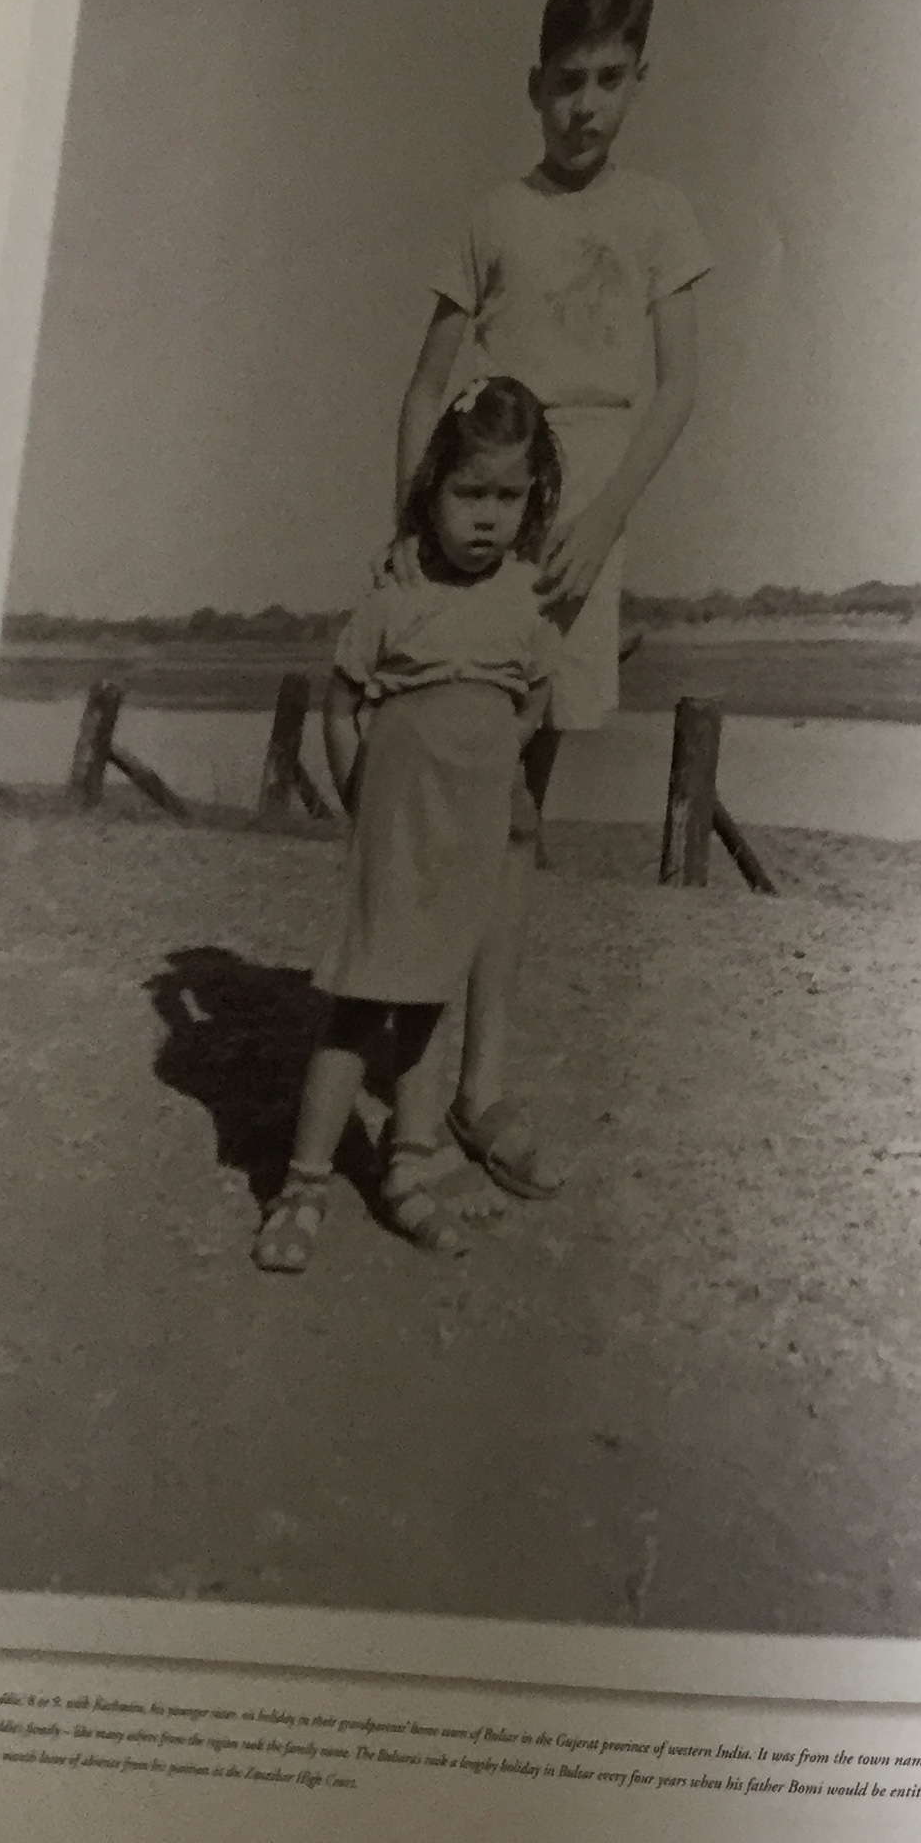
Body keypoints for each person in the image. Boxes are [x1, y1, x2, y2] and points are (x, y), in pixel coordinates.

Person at [388, 0, 713, 1212]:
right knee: (454, 800)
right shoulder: (493, 216)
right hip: (484, 520)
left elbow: (678, 389)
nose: (586, 106)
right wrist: (406, 547)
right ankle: (413, 1087)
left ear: (640, 80)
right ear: (534, 84)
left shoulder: (660, 216)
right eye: (567, 80)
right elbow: (426, 386)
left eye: (610, 79)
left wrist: (607, 520)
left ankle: (483, 1086)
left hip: (584, 540)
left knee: (522, 814)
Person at [253, 380, 569, 1273]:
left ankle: (409, 1167)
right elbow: (342, 703)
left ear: (532, 501)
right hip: (397, 825)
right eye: (469, 493)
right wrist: (359, 794)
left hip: (467, 830)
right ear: (431, 491)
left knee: (430, 996)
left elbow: (536, 694)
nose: (487, 517)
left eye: (508, 497)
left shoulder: (523, 602)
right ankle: (304, 1182)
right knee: (362, 999)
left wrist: (499, 765)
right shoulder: (395, 601)